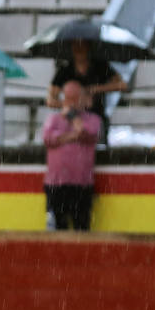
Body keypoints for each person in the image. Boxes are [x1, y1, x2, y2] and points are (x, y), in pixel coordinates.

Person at [42, 78, 102, 231]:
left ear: (83, 99)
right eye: (68, 98)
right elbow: (49, 139)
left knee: (81, 228)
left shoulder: (93, 119)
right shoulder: (52, 119)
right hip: (56, 183)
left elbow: (87, 132)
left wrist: (73, 117)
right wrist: (74, 136)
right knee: (57, 228)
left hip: (81, 183)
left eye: (75, 98)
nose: (72, 102)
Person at [46, 39, 126, 136]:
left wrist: (96, 89)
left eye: (82, 46)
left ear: (88, 47)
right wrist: (71, 103)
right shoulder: (65, 70)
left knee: (96, 144)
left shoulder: (100, 66)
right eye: (76, 46)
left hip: (97, 116)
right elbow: (50, 99)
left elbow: (122, 85)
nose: (79, 49)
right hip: (71, 120)